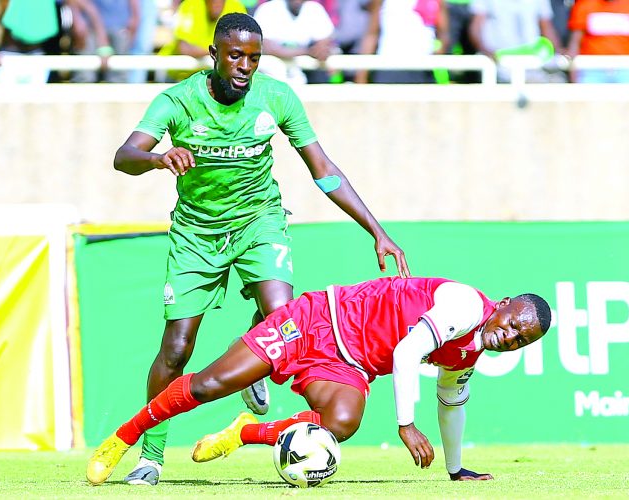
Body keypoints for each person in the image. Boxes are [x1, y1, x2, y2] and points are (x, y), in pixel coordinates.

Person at [111, 12, 409, 486]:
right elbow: (123, 156)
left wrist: (376, 230)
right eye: (235, 56)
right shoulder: (178, 100)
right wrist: (156, 158)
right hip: (196, 234)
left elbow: (324, 169)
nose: (245, 66)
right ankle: (151, 455)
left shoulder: (277, 97)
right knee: (177, 348)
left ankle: (250, 368)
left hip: (259, 221)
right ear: (213, 55)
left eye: (254, 57)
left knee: (282, 316)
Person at [86, 276, 552, 485]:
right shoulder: (468, 306)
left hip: (349, 365)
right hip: (317, 321)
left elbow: (452, 404)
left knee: (343, 422)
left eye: (520, 342)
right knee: (209, 385)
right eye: (514, 325)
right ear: (505, 303)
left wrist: (455, 468)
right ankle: (121, 439)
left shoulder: (470, 351)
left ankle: (244, 433)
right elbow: (407, 351)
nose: (509, 337)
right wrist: (405, 424)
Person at [354, 0, 450, 84]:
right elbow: (371, 34)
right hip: (389, 67)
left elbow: (444, 34)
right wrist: (361, 77)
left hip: (422, 68)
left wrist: (436, 55)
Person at [468, 0, 564, 83]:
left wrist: (559, 52)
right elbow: (475, 27)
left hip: (533, 68)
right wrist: (486, 51)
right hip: (500, 67)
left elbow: (546, 27)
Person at [566, 0, 629, 84]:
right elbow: (575, 42)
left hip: (626, 69)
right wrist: (573, 76)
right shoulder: (585, 5)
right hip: (592, 69)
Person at [157, 0, 247, 81]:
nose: (216, 3)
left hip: (217, 78)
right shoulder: (190, 5)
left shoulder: (236, 7)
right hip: (180, 77)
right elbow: (184, 48)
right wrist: (220, 53)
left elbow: (245, 47)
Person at [252, 0, 337, 84]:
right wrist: (307, 52)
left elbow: (325, 42)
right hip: (272, 73)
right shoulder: (268, 9)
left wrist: (320, 49)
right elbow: (268, 48)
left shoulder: (314, 9)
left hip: (304, 73)